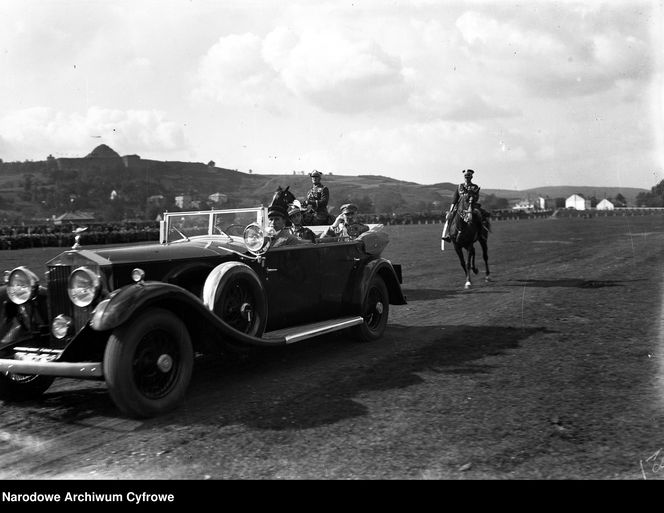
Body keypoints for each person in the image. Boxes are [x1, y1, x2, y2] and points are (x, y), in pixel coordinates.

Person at [442, 169, 482, 243]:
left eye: (468, 177)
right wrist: (451, 210)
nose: (467, 178)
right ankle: (448, 234)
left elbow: (476, 197)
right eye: (465, 176)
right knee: (450, 217)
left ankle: (480, 234)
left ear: (471, 177)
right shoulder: (460, 186)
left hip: (471, 207)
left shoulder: (474, 187)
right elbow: (455, 199)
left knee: (478, 216)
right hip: (459, 208)